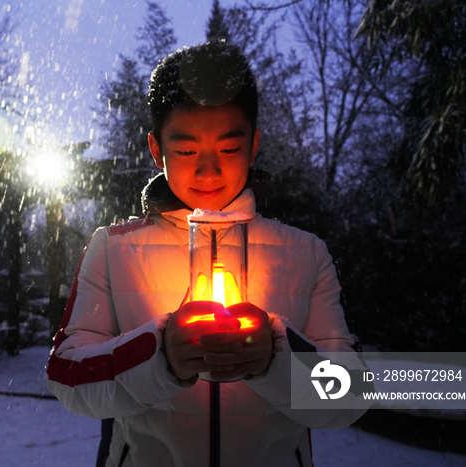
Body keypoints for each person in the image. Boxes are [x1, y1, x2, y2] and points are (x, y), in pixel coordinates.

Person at [47, 40, 368, 467]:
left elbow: (350, 394)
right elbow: (69, 376)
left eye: (230, 149)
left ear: (253, 146)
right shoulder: (113, 248)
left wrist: (277, 358)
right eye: (185, 151)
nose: (209, 170)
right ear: (156, 149)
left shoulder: (305, 254)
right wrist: (158, 353)